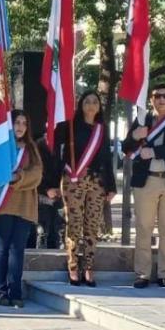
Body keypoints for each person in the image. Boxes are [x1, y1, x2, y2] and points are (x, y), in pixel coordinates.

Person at [122, 84, 165, 289]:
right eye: (157, 96)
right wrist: (135, 136)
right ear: (151, 99)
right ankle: (142, 274)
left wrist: (154, 151)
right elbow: (126, 147)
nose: (161, 99)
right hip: (146, 180)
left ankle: (164, 274)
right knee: (144, 228)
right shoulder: (143, 121)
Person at [0, 110, 42, 308]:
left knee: (18, 250)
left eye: (24, 123)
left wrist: (19, 177)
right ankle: (0, 291)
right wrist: (0, 172)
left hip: (23, 206)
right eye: (17, 122)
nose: (20, 126)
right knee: (2, 248)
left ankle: (15, 292)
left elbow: (37, 174)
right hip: (1, 204)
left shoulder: (32, 149)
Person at [55, 91, 117, 286]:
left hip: (97, 182)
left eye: (95, 102)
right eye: (87, 102)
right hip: (74, 181)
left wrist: (111, 186)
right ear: (81, 105)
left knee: (91, 225)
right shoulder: (70, 126)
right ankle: (73, 266)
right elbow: (56, 148)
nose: (91, 105)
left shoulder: (102, 129)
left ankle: (89, 266)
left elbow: (107, 158)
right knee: (74, 224)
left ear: (99, 107)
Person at [32, 133, 64, 250]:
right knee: (42, 232)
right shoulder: (38, 145)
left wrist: (61, 188)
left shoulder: (64, 144)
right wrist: (46, 190)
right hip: (41, 195)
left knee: (57, 233)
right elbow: (34, 171)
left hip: (59, 195)